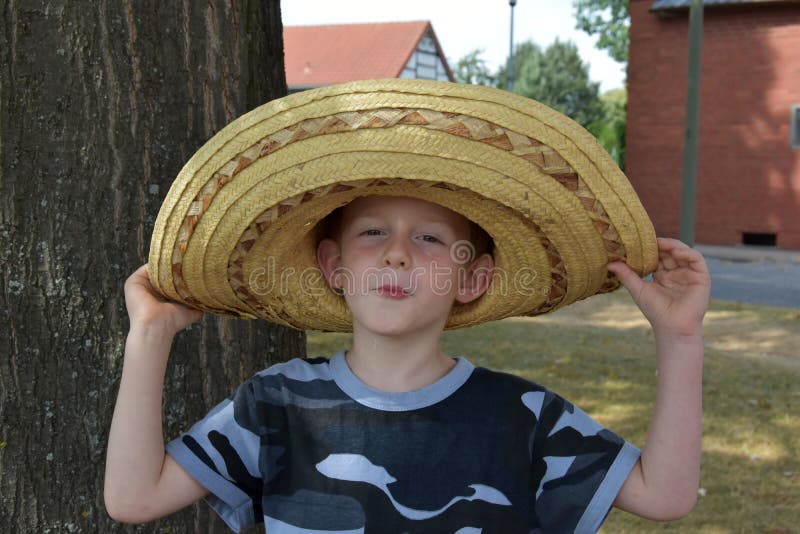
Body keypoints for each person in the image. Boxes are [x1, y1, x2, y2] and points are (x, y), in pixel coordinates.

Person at [104, 79, 710, 533]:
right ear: (334, 268)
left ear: (472, 279)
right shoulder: (274, 405)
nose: (396, 255)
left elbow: (666, 495)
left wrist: (680, 339)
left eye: (429, 239)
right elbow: (132, 500)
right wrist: (150, 335)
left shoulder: (524, 417)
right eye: (372, 233)